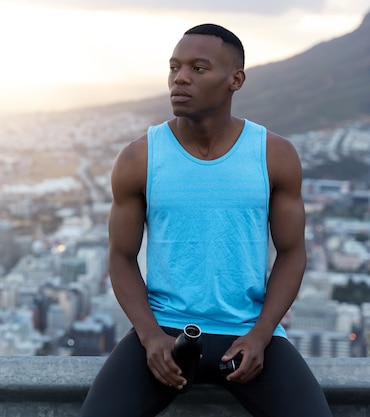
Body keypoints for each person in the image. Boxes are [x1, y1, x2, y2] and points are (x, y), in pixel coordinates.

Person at [79, 23, 333, 417]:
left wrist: (261, 335)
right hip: (163, 330)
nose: (180, 77)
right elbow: (120, 257)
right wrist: (149, 337)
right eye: (174, 67)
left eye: (198, 68)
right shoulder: (138, 158)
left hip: (250, 331)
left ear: (235, 80)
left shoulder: (274, 155)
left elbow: (292, 253)